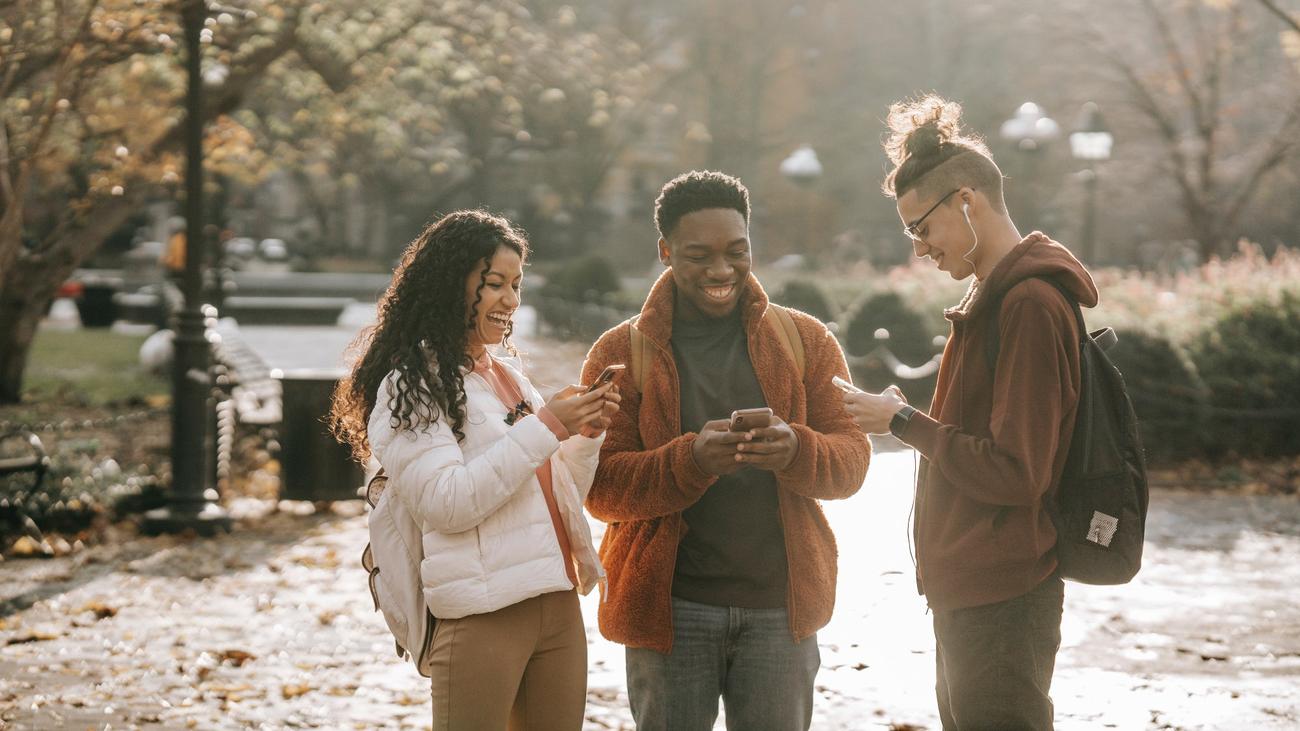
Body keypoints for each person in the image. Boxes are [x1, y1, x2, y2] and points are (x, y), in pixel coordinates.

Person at [842, 95, 1099, 730]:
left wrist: (900, 423)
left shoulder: (1029, 303)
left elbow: (1016, 471)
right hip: (976, 588)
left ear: (966, 200)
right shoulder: (995, 296)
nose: (920, 249)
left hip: (1004, 592)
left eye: (920, 228)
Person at [580, 171, 871, 730]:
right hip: (670, 612)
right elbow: (600, 489)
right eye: (699, 255)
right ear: (665, 251)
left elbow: (853, 461)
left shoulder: (804, 339)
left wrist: (796, 450)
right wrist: (688, 463)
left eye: (737, 252)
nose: (721, 270)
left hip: (782, 610)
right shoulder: (621, 352)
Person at [329, 209, 620, 731]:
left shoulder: (506, 376)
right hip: (484, 616)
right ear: (449, 286)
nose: (510, 299)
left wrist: (584, 438)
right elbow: (448, 504)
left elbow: (556, 496)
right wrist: (548, 426)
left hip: (555, 605)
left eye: (516, 284)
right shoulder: (411, 387)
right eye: (494, 284)